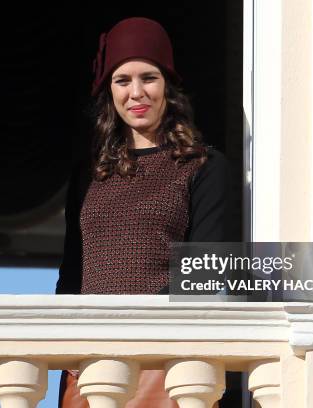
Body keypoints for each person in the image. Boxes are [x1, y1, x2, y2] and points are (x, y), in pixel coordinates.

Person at [56, 17, 230, 408]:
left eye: (149, 78)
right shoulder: (88, 175)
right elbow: (71, 275)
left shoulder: (203, 166)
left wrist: (134, 333)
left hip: (166, 363)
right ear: (109, 91)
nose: (137, 93)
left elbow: (203, 275)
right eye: (123, 80)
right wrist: (66, 352)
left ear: (168, 85)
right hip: (89, 366)